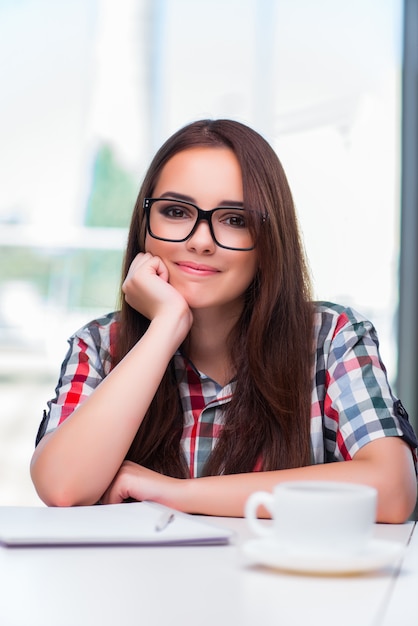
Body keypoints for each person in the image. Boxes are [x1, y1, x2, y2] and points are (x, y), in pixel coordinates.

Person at [31, 119, 418, 522]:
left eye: (234, 219)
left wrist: (177, 494)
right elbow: (63, 488)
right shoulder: (100, 344)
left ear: (269, 238)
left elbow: (392, 491)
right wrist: (165, 327)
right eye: (176, 212)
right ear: (144, 226)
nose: (201, 241)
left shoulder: (330, 338)